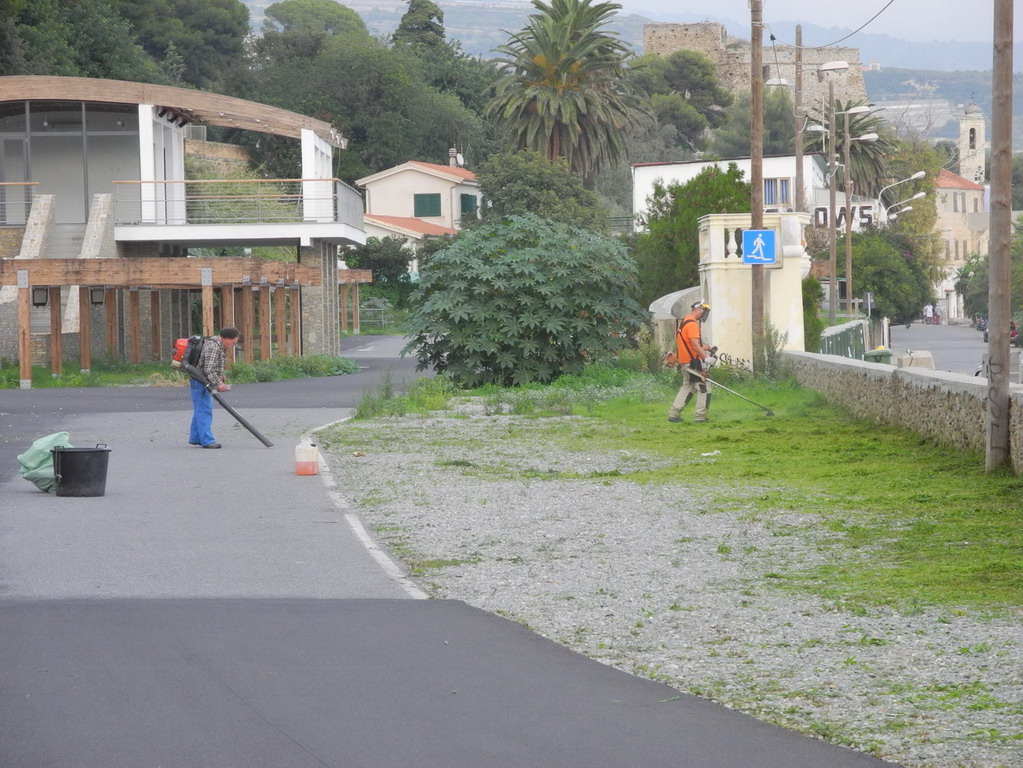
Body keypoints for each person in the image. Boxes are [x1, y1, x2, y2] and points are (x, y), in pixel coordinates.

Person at [188, 326, 240, 449]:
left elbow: (212, 366)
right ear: (227, 338)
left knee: (200, 409)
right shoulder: (213, 347)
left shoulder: (216, 345)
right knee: (205, 410)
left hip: (199, 381)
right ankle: (207, 441)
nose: (233, 345)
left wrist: (221, 375)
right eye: (233, 342)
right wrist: (218, 384)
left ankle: (196, 437)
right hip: (201, 382)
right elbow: (208, 370)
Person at [667, 302, 714, 423]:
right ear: (699, 310)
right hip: (692, 363)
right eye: (704, 312)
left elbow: (690, 345)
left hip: (685, 361)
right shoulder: (692, 325)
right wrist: (706, 358)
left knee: (687, 387)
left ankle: (674, 414)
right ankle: (700, 417)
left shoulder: (684, 322)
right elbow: (695, 345)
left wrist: (704, 348)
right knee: (704, 387)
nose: (703, 315)